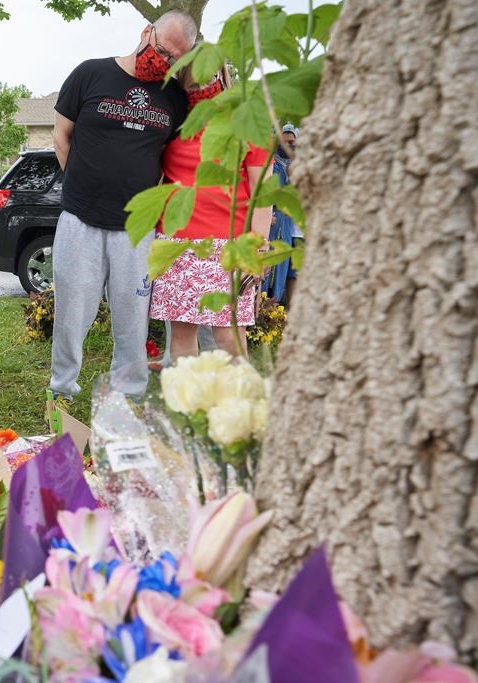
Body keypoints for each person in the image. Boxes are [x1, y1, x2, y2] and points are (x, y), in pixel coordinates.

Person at [50, 10, 194, 400]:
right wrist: (79, 183)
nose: (161, 61)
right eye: (160, 49)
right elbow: (62, 135)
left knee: (133, 316)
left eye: (172, 59)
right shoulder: (91, 73)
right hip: (80, 219)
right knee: (72, 313)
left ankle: (129, 389)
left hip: (136, 229)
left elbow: (173, 157)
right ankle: (62, 388)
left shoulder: (174, 98)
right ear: (146, 32)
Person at [149, 66, 274, 359]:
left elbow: (263, 193)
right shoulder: (174, 119)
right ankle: (189, 402)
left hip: (230, 246)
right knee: (181, 333)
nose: (200, 82)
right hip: (175, 244)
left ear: (221, 72)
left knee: (229, 335)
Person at [264, 123, 300, 306]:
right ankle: (258, 312)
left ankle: (273, 314)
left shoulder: (300, 166)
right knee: (264, 267)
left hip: (287, 223)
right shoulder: (270, 165)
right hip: (268, 220)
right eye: (283, 142)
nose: (287, 146)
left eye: (291, 142)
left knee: (282, 267)